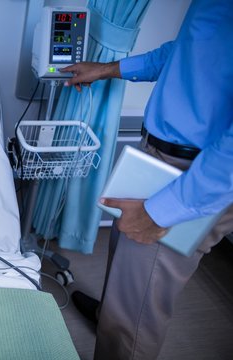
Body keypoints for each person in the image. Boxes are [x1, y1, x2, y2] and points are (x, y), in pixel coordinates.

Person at [60, 0, 233, 358]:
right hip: (159, 155)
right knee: (125, 263)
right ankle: (112, 315)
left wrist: (161, 212)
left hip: (195, 175)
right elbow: (187, 54)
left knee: (136, 317)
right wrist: (108, 69)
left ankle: (122, 333)